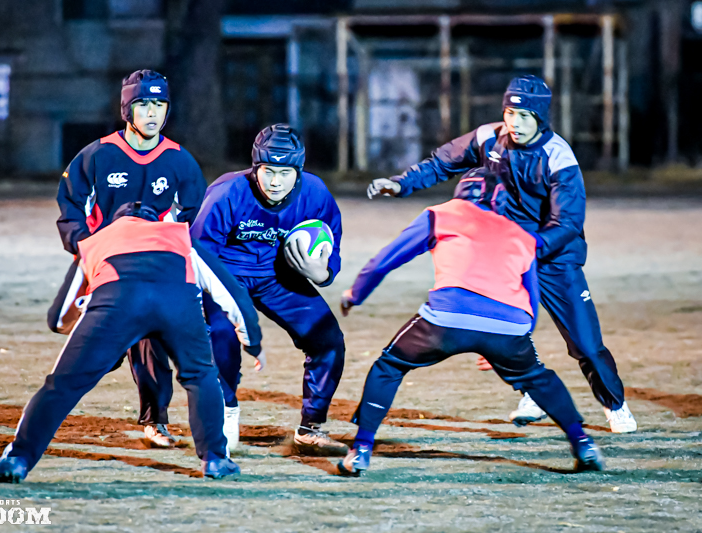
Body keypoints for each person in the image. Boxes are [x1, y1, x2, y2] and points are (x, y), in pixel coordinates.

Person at [365, 75, 636, 433]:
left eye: (524, 116)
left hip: (553, 258)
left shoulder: (558, 157)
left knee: (585, 343)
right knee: (501, 328)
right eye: (510, 113)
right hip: (504, 257)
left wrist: (528, 246)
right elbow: (440, 163)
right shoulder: (488, 137)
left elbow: (567, 223)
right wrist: (400, 183)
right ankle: (532, 392)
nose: (514, 123)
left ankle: (614, 404)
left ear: (541, 118)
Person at [339, 169, 605, 476]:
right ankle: (582, 443)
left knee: (389, 366)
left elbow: (386, 259)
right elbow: (532, 300)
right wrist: (502, 344)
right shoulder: (520, 233)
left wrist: (355, 294)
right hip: (509, 327)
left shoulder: (440, 214)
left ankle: (361, 449)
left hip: (447, 318)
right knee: (538, 378)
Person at [0, 202, 263, 483]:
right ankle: (215, 459)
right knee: (200, 376)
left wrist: (87, 334)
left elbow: (59, 316)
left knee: (62, 385)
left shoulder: (95, 241)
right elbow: (232, 294)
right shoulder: (179, 235)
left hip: (116, 303)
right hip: (177, 303)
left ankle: (18, 459)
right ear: (155, 221)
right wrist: (252, 342)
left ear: (116, 222)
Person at [51, 69, 209, 446]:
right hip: (106, 267)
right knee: (97, 353)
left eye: (160, 104)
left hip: (154, 268)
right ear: (127, 109)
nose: (152, 113)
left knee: (153, 340)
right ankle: (52, 409)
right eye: (143, 104)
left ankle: (156, 421)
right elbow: (71, 207)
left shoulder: (180, 161)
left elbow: (193, 219)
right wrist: (86, 249)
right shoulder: (97, 155)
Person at [190, 124, 347, 452]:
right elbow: (199, 254)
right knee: (222, 337)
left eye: (285, 173)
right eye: (268, 171)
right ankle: (226, 411)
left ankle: (310, 427)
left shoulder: (316, 194)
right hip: (227, 276)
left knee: (328, 340)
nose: (275, 182)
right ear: (255, 167)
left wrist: (322, 273)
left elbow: (330, 250)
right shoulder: (227, 192)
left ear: (299, 171)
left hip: (279, 276)